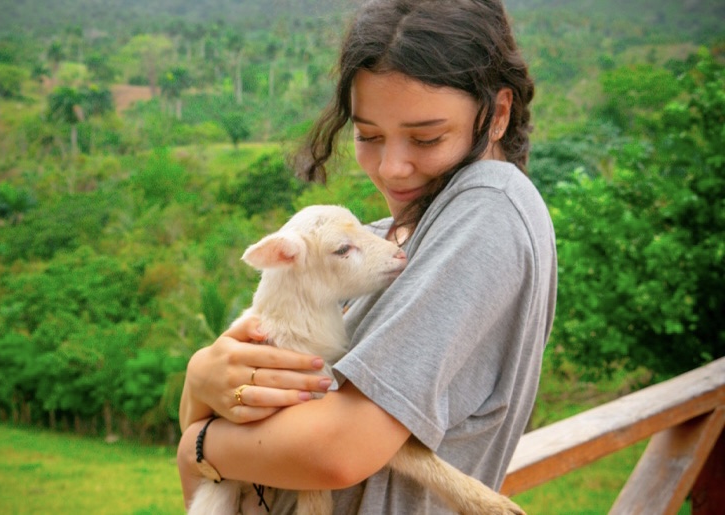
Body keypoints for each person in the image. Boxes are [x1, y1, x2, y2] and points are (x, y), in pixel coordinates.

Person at [177, 0, 557, 512]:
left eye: (427, 137)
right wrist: (200, 384)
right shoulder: (378, 246)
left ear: (498, 114)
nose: (393, 168)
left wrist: (196, 442)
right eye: (368, 136)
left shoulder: (488, 202)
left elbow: (338, 452)